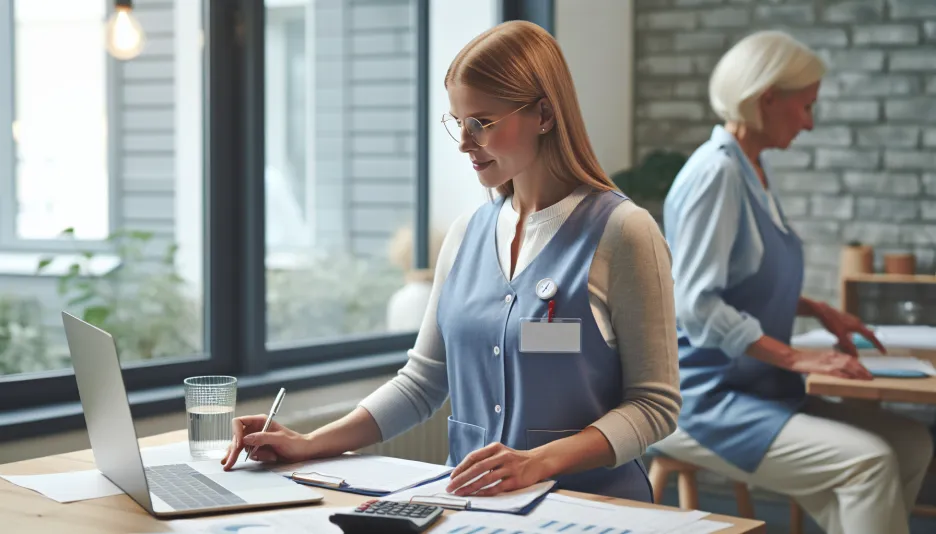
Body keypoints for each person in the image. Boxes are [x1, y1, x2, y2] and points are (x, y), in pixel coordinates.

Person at [221, 20, 680, 502]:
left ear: (544, 114)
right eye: (458, 122)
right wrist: (309, 443)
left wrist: (538, 462)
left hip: (593, 511)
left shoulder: (624, 232)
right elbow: (422, 383)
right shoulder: (466, 235)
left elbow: (655, 405)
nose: (464, 142)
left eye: (482, 122)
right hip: (471, 509)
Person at [654, 30, 933, 534]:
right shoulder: (715, 174)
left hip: (757, 387)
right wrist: (797, 356)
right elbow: (696, 303)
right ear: (767, 98)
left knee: (913, 443)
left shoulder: (752, 169)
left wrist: (815, 308)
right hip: (703, 399)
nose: (809, 123)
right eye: (806, 106)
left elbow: (740, 277)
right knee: (868, 463)